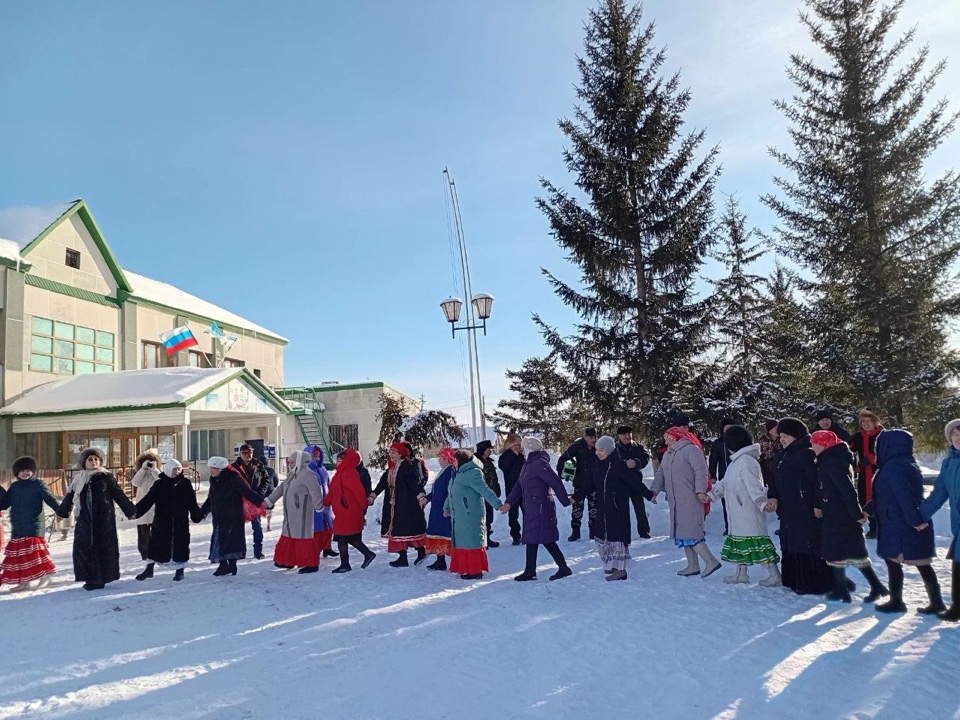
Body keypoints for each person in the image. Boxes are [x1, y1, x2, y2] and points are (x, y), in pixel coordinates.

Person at [868, 429, 944, 615]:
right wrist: (867, 510)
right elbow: (885, 495)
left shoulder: (893, 468)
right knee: (913, 562)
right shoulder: (904, 463)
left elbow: (905, 496)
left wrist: (915, 521)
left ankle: (900, 602)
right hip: (898, 520)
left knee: (909, 562)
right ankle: (932, 602)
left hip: (900, 522)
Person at [810, 430, 888, 603]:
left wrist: (856, 514)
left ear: (823, 445)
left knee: (837, 551)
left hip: (840, 515)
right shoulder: (828, 460)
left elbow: (847, 490)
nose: (812, 446)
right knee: (846, 552)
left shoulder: (832, 463)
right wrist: (820, 505)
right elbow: (824, 487)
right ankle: (868, 587)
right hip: (835, 512)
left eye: (814, 443)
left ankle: (846, 590)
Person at [703, 426, 781, 586]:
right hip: (738, 512)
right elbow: (725, 482)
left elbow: (755, 486)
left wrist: (762, 503)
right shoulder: (737, 462)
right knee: (740, 543)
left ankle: (774, 575)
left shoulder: (746, 462)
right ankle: (741, 574)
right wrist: (712, 495)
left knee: (757, 543)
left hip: (747, 511)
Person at [767, 418, 833, 595]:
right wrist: (773, 496)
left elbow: (818, 482)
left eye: (785, 436)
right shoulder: (781, 455)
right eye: (780, 436)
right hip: (787, 509)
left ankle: (811, 583)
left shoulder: (807, 453)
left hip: (805, 508)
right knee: (789, 542)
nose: (782, 439)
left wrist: (818, 504)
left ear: (796, 435)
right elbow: (773, 480)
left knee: (806, 543)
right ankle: (792, 579)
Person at [56, 448, 137, 591]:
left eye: (96, 459)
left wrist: (131, 511)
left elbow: (119, 495)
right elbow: (70, 497)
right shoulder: (79, 479)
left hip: (103, 520)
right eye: (90, 459)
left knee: (102, 548)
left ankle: (101, 578)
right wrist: (62, 512)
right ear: (84, 462)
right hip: (85, 520)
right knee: (84, 548)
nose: (94, 461)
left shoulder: (106, 477)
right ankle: (90, 577)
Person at [572, 435, 650, 581]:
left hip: (617, 507)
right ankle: (611, 565)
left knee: (616, 538)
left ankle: (620, 570)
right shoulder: (597, 465)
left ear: (609, 451)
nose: (598, 453)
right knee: (603, 537)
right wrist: (575, 497)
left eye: (601, 450)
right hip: (603, 507)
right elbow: (589, 485)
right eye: (597, 450)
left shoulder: (618, 465)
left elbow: (634, 482)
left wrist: (649, 495)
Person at [650, 426, 722, 579]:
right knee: (683, 533)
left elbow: (701, 471)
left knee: (691, 532)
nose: (665, 440)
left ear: (675, 437)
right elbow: (661, 474)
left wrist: (700, 491)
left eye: (667, 436)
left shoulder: (691, 450)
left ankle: (711, 561)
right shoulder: (668, 454)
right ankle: (693, 565)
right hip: (676, 500)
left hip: (691, 498)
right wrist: (654, 491)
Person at [503, 437, 572, 582]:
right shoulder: (527, 465)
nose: (522, 451)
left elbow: (556, 482)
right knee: (533, 538)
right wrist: (509, 503)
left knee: (545, 539)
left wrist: (565, 501)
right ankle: (531, 571)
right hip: (532, 507)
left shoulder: (539, 463)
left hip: (541, 508)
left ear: (530, 448)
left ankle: (562, 568)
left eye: (523, 448)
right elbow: (518, 486)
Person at [133, 459, 203, 582]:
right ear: (168, 470)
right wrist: (135, 512)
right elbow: (148, 500)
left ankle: (180, 571)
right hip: (162, 522)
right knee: (155, 545)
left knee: (180, 545)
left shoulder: (185, 483)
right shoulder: (160, 484)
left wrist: (196, 515)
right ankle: (149, 570)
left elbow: (192, 502)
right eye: (174, 469)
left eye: (179, 469)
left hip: (180, 522)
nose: (177, 472)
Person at [920, 419, 960, 621]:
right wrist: (919, 516)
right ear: (950, 439)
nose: (959, 438)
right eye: (955, 435)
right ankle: (957, 607)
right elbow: (939, 494)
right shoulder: (948, 463)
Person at [199, 457, 266, 577]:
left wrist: (261, 501)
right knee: (220, 540)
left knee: (232, 541)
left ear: (219, 469)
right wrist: (202, 512)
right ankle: (223, 565)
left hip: (233, 516)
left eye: (212, 468)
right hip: (219, 516)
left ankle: (232, 565)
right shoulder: (214, 479)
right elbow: (210, 498)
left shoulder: (233, 478)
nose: (210, 471)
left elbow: (247, 491)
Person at [0, 456, 60, 591]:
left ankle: (45, 576)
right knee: (21, 556)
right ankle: (24, 581)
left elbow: (50, 499)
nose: (25, 473)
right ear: (17, 473)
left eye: (28, 470)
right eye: (22, 471)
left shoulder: (38, 484)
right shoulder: (14, 487)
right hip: (18, 526)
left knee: (35, 554)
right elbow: (4, 504)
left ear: (32, 471)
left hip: (34, 525)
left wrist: (60, 511)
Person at [444, 449, 504, 580]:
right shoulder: (458, 473)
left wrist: (498, 504)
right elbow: (451, 493)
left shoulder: (473, 473)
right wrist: (447, 507)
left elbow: (485, 490)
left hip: (470, 514)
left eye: (455, 459)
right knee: (464, 542)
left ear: (461, 460)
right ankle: (467, 568)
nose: (453, 462)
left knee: (471, 541)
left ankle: (475, 571)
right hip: (460, 515)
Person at [371, 442, 427, 567]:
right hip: (395, 504)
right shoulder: (391, 468)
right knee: (399, 529)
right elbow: (382, 484)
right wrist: (373, 495)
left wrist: (420, 496)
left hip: (406, 504)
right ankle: (403, 557)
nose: (391, 454)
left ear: (400, 454)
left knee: (406, 529)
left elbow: (414, 483)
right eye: (390, 452)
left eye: (394, 452)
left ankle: (419, 552)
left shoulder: (406, 467)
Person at [325, 448, 376, 573]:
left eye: (340, 460)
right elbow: (333, 492)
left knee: (343, 538)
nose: (337, 462)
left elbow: (359, 492)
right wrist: (324, 503)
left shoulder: (349, 473)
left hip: (349, 512)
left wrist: (364, 505)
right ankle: (364, 555)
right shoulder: (339, 474)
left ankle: (347, 563)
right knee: (346, 538)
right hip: (343, 512)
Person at [556, 427, 598, 541]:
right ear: (585, 437)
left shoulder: (598, 447)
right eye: (590, 437)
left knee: (594, 509)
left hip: (594, 484)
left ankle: (594, 532)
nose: (593, 440)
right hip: (580, 482)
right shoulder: (577, 446)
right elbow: (563, 458)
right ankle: (575, 531)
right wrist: (561, 472)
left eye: (595, 437)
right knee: (577, 509)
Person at [232, 444, 271, 559]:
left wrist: (259, 494)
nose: (247, 455)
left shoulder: (258, 465)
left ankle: (258, 551)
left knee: (257, 527)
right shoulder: (234, 467)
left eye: (249, 452)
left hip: (255, 500)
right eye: (244, 453)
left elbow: (266, 480)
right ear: (240, 454)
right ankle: (240, 552)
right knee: (238, 529)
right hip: (240, 501)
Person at [851, 409, 884, 538]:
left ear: (874, 421)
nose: (865, 424)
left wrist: (870, 459)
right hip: (864, 473)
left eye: (868, 421)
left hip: (878, 471)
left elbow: (884, 452)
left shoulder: (882, 435)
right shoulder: (858, 436)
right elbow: (849, 448)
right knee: (864, 498)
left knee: (878, 497)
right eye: (863, 421)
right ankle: (873, 527)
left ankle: (880, 526)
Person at [616, 425, 653, 539]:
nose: (627, 436)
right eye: (624, 435)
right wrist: (624, 464)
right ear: (619, 436)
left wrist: (636, 462)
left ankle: (644, 530)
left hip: (636, 482)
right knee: (622, 510)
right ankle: (622, 531)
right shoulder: (615, 448)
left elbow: (646, 458)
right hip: (621, 484)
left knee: (640, 508)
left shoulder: (638, 446)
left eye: (629, 434)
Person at [424, 447, 457, 570]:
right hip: (437, 508)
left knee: (445, 533)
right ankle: (440, 560)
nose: (438, 460)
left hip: (444, 508)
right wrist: (427, 499)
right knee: (438, 533)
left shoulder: (450, 472)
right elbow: (436, 491)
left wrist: (447, 507)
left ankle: (454, 561)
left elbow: (450, 491)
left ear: (446, 458)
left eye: (440, 457)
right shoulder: (444, 471)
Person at [131, 449, 161, 572]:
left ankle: (156, 553)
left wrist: (154, 469)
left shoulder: (156, 473)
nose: (149, 465)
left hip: (155, 508)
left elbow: (162, 480)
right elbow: (135, 482)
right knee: (143, 534)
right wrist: (142, 470)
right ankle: (145, 554)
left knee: (156, 533)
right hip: (142, 509)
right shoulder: (140, 474)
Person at [306, 445, 338, 559]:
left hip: (325, 505)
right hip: (312, 507)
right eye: (315, 456)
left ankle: (327, 548)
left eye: (318, 456)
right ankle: (313, 552)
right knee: (315, 531)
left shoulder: (322, 469)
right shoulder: (305, 471)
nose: (317, 458)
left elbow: (328, 484)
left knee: (327, 528)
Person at [708, 418, 736, 535]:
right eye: (726, 427)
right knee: (726, 503)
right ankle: (728, 526)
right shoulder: (718, 443)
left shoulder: (738, 440)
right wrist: (712, 475)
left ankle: (739, 525)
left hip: (738, 475)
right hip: (724, 476)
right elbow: (713, 460)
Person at [497, 433, 525, 545]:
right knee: (513, 515)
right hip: (512, 489)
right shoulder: (505, 457)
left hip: (524, 489)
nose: (517, 447)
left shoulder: (522, 456)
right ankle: (515, 535)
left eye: (518, 445)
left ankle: (528, 534)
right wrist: (512, 454)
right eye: (515, 445)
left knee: (527, 513)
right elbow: (504, 466)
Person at [475, 440, 502, 548]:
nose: (490, 451)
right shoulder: (475, 462)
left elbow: (493, 477)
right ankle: (481, 540)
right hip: (480, 495)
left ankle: (487, 538)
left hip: (490, 495)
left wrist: (497, 488)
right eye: (488, 449)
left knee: (489, 518)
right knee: (481, 518)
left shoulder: (489, 462)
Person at [758, 419, 780, 488]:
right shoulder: (763, 440)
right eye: (775, 428)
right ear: (770, 430)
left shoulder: (782, 438)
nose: (777, 430)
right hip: (767, 468)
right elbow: (760, 454)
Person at [259, 455, 278, 532]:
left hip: (260, 492)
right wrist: (273, 486)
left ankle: (258, 525)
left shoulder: (257, 470)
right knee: (269, 509)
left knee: (258, 508)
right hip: (270, 491)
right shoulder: (271, 470)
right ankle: (268, 524)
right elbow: (276, 481)